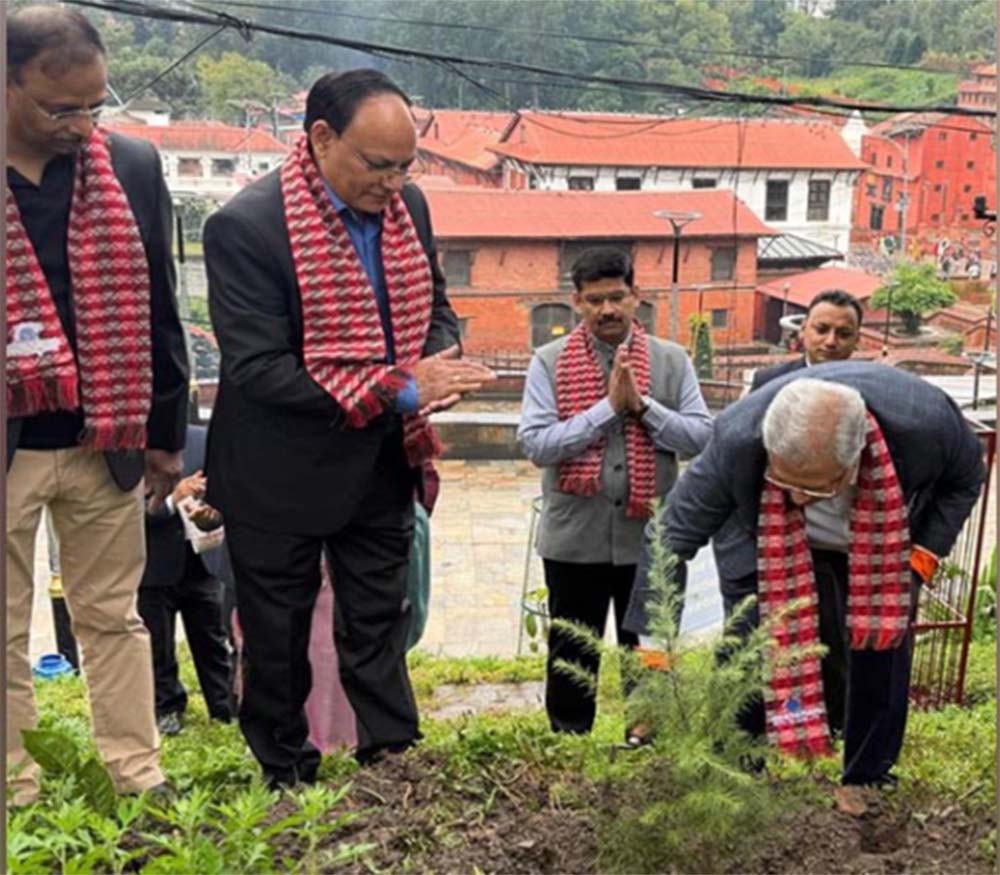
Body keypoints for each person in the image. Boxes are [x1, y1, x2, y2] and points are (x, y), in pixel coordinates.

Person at [203, 68, 493, 788]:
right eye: (377, 165)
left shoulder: (410, 209)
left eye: (405, 166)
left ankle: (393, 767)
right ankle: (286, 772)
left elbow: (436, 307)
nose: (393, 183)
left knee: (378, 623)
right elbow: (258, 368)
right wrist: (400, 389)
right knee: (277, 638)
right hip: (278, 473)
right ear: (322, 138)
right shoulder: (247, 225)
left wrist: (438, 361)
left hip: (379, 461)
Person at [626, 363, 985, 790]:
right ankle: (737, 767)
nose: (799, 499)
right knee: (749, 642)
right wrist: (654, 651)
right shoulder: (738, 440)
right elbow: (668, 538)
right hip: (772, 540)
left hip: (878, 540)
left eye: (813, 490)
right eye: (785, 483)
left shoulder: (926, 428)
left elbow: (967, 479)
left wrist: (919, 560)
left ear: (853, 462)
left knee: (882, 644)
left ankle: (867, 776)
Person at [5, 7, 188, 805]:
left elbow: (161, 305)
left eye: (93, 107)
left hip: (101, 434)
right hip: (10, 444)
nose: (80, 126)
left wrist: (164, 436)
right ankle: (15, 788)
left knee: (115, 618)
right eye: (59, 109)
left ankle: (136, 774)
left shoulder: (133, 167)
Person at [517, 246, 713, 736]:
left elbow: (701, 437)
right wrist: (607, 409)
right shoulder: (548, 362)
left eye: (617, 297)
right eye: (595, 300)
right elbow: (537, 443)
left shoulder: (671, 360)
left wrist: (643, 407)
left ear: (635, 296)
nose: (607, 310)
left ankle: (646, 738)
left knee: (648, 648)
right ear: (577, 302)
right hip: (573, 537)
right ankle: (569, 739)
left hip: (648, 537)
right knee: (573, 649)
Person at [714, 290, 863, 595]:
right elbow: (734, 454)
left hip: (844, 545)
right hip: (773, 536)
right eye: (822, 330)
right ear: (804, 329)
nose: (831, 341)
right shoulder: (768, 382)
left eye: (843, 333)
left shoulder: (869, 387)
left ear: (857, 339)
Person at [137, 424, 234, 737]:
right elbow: (124, 515)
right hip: (153, 567)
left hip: (201, 562)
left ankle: (224, 708)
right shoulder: (131, 450)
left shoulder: (203, 439)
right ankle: (167, 709)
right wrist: (172, 500)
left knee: (213, 642)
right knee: (158, 646)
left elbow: (226, 490)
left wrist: (206, 504)